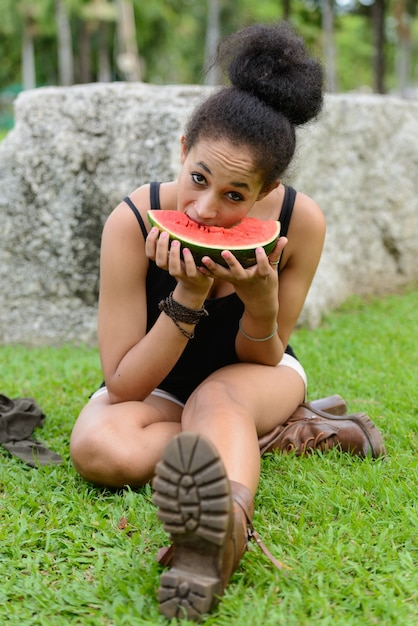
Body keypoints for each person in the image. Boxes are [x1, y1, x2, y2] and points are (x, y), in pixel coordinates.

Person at [70, 21, 385, 621]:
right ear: (183, 147)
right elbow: (123, 386)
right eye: (198, 179)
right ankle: (286, 436)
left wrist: (261, 301)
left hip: (255, 374)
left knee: (218, 399)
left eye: (236, 196)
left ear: (269, 189)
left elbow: (265, 356)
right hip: (156, 380)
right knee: (98, 449)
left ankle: (217, 541)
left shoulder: (301, 223)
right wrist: (188, 295)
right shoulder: (131, 223)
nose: (207, 210)